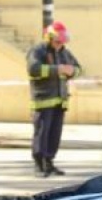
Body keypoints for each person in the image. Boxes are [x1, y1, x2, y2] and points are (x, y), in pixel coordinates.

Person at [26, 20, 82, 178]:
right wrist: (57, 70)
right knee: (42, 133)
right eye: (57, 41)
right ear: (49, 38)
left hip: (59, 101)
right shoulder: (38, 51)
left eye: (62, 41)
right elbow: (33, 69)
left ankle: (49, 163)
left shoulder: (64, 52)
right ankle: (39, 165)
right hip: (43, 101)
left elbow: (79, 68)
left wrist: (72, 71)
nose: (60, 44)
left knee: (54, 134)